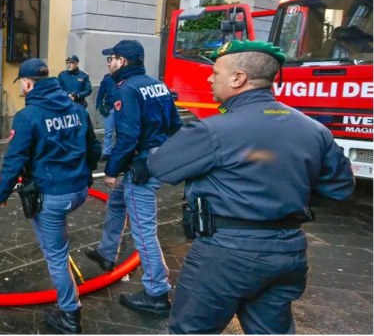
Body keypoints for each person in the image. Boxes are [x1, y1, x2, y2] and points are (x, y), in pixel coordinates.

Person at [148, 39, 355, 335]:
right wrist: (282, 197)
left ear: (238, 78)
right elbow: (339, 189)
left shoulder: (213, 130)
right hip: (288, 250)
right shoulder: (314, 129)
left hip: (225, 253)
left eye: (215, 72)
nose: (209, 78)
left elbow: (160, 167)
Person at [0, 58, 101, 334]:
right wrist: (85, 175)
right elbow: (93, 148)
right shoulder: (77, 109)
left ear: (27, 84)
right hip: (78, 190)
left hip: (52, 195)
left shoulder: (28, 116)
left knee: (56, 255)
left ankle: (70, 314)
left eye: (23, 85)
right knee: (59, 242)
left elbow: (15, 158)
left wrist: (1, 194)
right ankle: (69, 304)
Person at [82, 39, 181, 316]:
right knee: (116, 203)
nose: (108, 63)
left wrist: (112, 171)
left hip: (139, 165)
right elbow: (176, 125)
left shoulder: (126, 90)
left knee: (143, 229)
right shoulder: (156, 84)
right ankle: (106, 253)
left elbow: (127, 137)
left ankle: (156, 292)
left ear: (122, 62)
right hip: (153, 159)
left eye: (111, 58)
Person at [95, 67, 116, 158]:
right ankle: (107, 152)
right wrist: (100, 106)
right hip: (110, 108)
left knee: (122, 132)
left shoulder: (126, 78)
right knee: (108, 132)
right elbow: (100, 94)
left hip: (123, 109)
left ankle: (120, 152)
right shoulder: (107, 79)